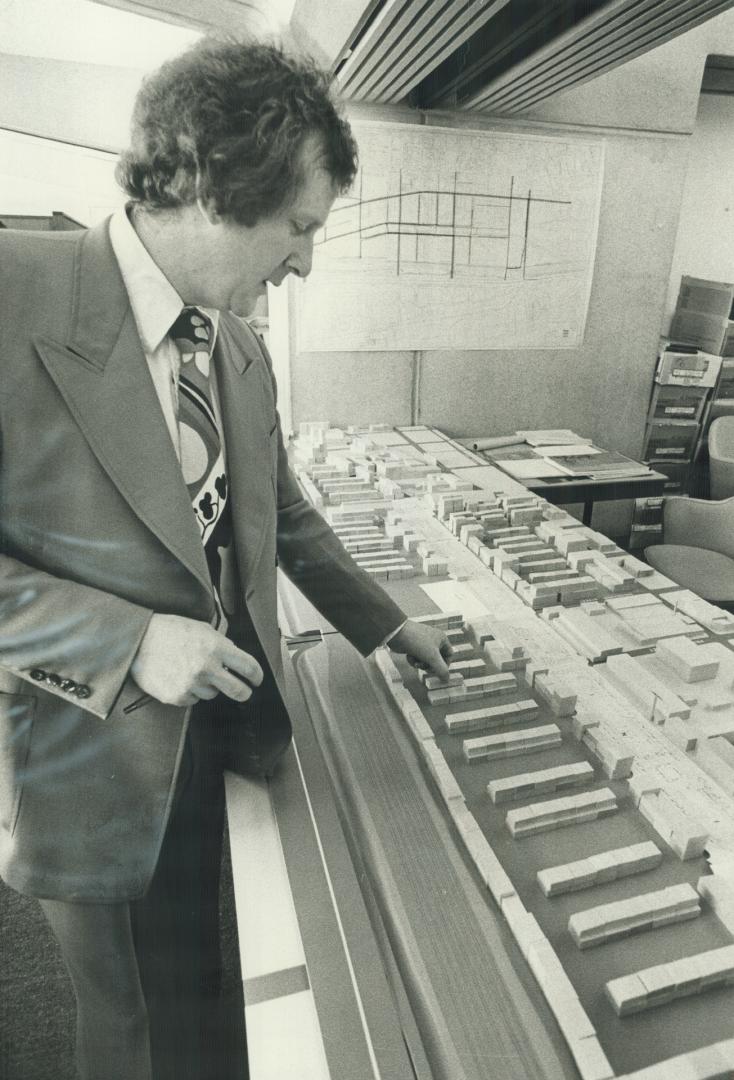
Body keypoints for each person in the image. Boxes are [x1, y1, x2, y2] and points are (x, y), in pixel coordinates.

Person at [0, 38, 451, 1080]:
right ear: (211, 185)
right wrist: (130, 641)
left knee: (192, 976)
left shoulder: (235, 344)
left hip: (211, 730)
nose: (302, 262)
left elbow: (281, 515)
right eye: (298, 227)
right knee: (122, 1017)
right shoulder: (13, 297)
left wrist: (383, 620)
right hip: (83, 749)